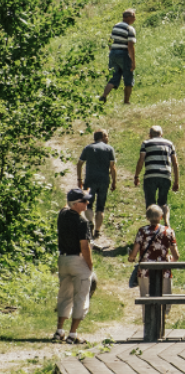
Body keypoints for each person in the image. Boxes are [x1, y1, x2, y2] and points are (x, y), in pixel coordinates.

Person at [54, 188, 95, 344]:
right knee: (81, 297)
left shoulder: (62, 215)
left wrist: (79, 192)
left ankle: (59, 331)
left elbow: (66, 205)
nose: (87, 203)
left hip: (63, 259)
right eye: (84, 201)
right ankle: (73, 334)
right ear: (77, 204)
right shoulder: (82, 222)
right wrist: (90, 265)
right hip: (77, 261)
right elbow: (84, 247)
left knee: (64, 295)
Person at [128, 205, 180, 313]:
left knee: (146, 298)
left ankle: (148, 321)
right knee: (165, 299)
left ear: (147, 218)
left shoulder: (142, 231)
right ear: (161, 217)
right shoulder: (168, 232)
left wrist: (131, 257)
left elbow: (134, 252)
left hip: (145, 271)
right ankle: (162, 319)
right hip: (164, 270)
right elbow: (176, 255)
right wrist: (170, 260)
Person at [134, 126, 179, 226]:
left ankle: (153, 225)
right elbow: (175, 163)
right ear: (161, 134)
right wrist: (176, 181)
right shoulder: (169, 144)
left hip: (150, 175)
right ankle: (166, 221)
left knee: (151, 202)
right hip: (165, 176)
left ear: (150, 135)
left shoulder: (146, 143)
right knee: (163, 202)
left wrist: (136, 176)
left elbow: (141, 160)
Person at [75, 130, 117, 239]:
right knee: (100, 206)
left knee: (88, 203)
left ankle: (90, 222)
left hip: (90, 180)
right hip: (104, 180)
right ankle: (97, 231)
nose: (108, 138)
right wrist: (114, 182)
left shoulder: (88, 148)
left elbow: (79, 163)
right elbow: (112, 167)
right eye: (107, 136)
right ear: (103, 137)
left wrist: (79, 179)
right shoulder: (109, 149)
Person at [100, 9, 137, 104]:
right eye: (134, 17)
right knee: (129, 78)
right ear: (129, 17)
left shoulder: (116, 26)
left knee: (114, 77)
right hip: (123, 54)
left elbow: (110, 40)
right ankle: (126, 101)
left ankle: (103, 96)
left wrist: (112, 51)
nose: (135, 19)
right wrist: (133, 61)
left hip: (113, 53)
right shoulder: (130, 29)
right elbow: (130, 46)